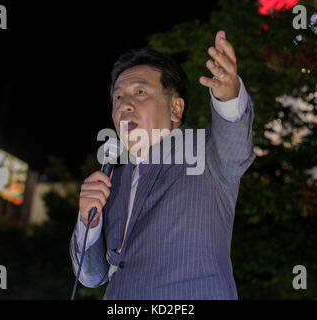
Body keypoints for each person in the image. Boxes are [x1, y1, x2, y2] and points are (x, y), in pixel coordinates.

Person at [70, 30, 255, 299]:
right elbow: (90, 276)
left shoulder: (207, 153)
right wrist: (89, 219)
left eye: (140, 92)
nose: (125, 105)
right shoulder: (112, 180)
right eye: (118, 98)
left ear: (175, 109)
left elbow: (235, 145)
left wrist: (229, 95)